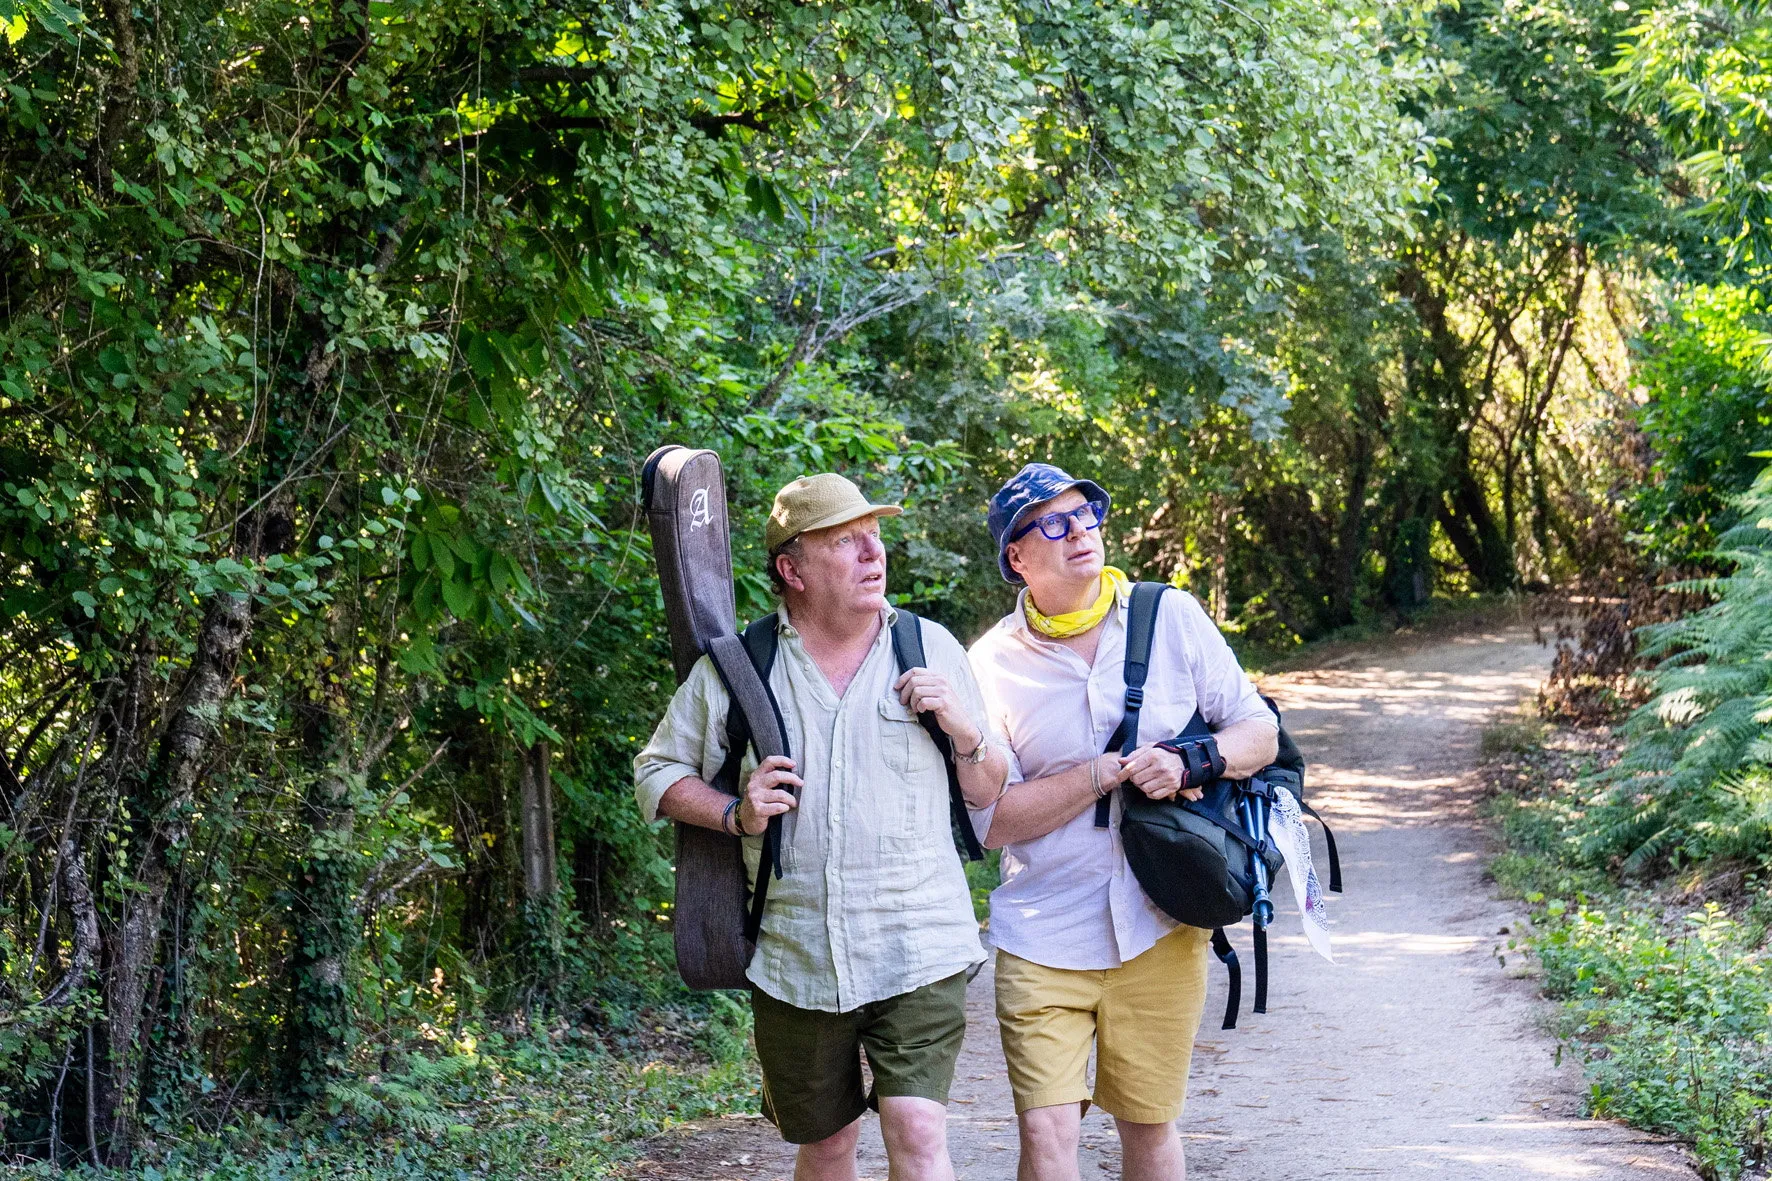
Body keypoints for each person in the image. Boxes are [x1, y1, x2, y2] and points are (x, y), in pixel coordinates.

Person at [634, 472, 1010, 1181]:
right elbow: (656, 771)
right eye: (846, 540)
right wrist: (733, 812)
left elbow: (988, 790)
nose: (874, 553)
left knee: (918, 1131)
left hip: (918, 941)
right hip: (797, 953)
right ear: (792, 568)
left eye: (876, 536)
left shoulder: (929, 649)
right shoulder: (743, 667)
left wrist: (964, 731)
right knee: (829, 1143)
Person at [967, 463, 1279, 1181]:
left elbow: (1258, 732)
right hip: (1043, 930)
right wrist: (1099, 774)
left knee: (1149, 1129)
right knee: (1048, 1140)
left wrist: (1191, 762)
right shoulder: (989, 664)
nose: (1079, 531)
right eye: (1053, 522)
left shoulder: (1169, 615)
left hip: (1161, 921)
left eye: (1087, 515)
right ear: (1017, 556)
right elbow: (994, 821)